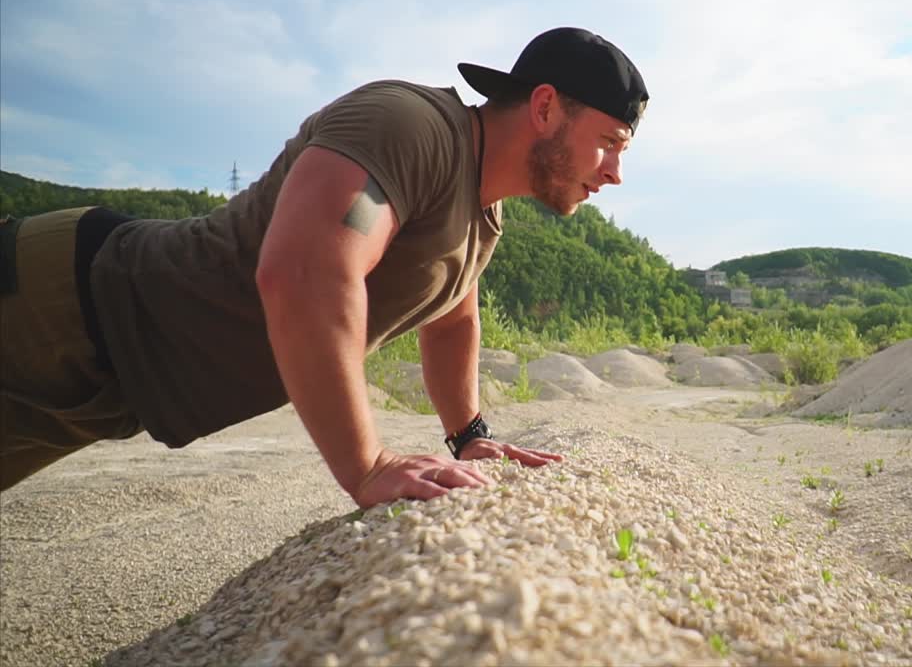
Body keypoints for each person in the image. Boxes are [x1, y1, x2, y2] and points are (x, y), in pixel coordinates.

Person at [0, 27, 650, 508]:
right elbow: (308, 272)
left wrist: (470, 436)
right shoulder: (411, 128)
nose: (617, 172)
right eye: (609, 143)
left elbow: (451, 322)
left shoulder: (482, 215)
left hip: (118, 379)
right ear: (544, 108)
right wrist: (366, 466)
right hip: (61, 309)